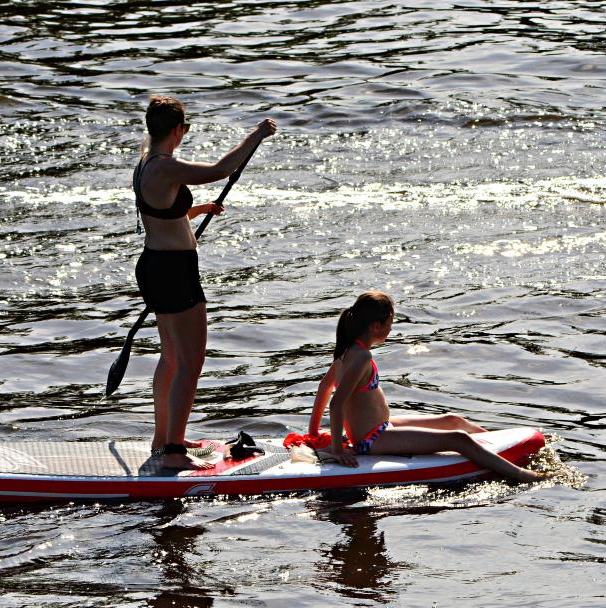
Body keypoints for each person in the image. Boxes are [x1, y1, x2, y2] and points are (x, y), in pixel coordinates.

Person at [134, 95, 276, 470]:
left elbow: (159, 210)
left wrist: (196, 210)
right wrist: (256, 136)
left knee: (171, 357)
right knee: (190, 362)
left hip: (155, 264)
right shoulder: (165, 165)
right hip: (174, 269)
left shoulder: (146, 161)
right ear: (178, 130)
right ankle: (174, 453)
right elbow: (220, 168)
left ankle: (163, 439)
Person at [308, 290, 549, 482]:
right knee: (457, 438)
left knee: (453, 420)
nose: (391, 329)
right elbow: (336, 401)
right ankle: (522, 475)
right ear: (376, 326)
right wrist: (338, 450)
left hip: (381, 427)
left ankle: (502, 450)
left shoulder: (346, 353)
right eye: (390, 323)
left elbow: (323, 388)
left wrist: (313, 432)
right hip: (371, 439)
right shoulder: (361, 357)